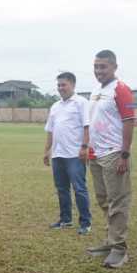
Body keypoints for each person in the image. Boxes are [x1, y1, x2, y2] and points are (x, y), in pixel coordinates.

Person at [86, 50, 135, 269]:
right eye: (96, 67)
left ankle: (119, 249)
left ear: (114, 66)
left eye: (103, 67)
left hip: (114, 153)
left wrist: (124, 153)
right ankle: (109, 241)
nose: (99, 71)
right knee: (103, 199)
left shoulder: (121, 89)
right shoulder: (96, 90)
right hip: (96, 153)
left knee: (118, 201)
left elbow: (129, 120)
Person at [43, 72, 92, 234]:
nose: (60, 88)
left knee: (79, 188)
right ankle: (66, 220)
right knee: (62, 189)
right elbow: (50, 130)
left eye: (63, 85)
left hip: (75, 155)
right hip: (58, 155)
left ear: (73, 85)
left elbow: (87, 126)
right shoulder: (55, 106)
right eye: (58, 85)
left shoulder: (81, 103)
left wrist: (84, 147)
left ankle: (85, 223)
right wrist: (46, 151)